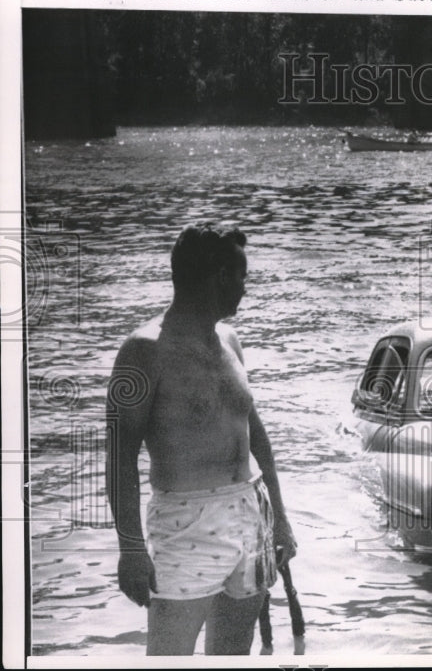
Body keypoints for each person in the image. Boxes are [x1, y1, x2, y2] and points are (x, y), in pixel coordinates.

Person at [105, 224, 296, 655]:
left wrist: (280, 519)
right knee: (169, 660)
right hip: (185, 521)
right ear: (219, 276)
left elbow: (256, 435)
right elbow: (119, 458)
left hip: (250, 512)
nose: (245, 289)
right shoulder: (142, 350)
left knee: (232, 656)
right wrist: (131, 549)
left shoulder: (230, 340)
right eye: (242, 276)